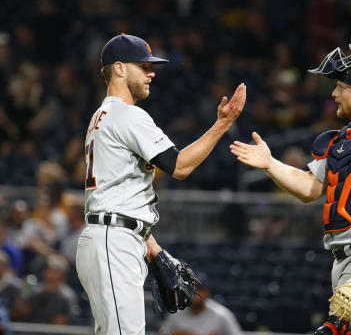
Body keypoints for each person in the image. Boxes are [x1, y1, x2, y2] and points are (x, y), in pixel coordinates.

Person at [230, 44, 351, 335]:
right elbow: (309, 188)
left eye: (341, 87)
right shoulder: (345, 140)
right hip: (345, 261)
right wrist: (270, 164)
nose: (334, 94)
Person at [76, 34, 246, 335]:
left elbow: (120, 187)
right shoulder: (126, 114)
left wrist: (150, 244)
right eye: (142, 66)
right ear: (118, 68)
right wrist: (223, 124)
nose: (151, 73)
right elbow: (179, 166)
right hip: (113, 239)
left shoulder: (101, 116)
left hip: (110, 234)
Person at [163, 273, 242, 335]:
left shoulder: (221, 314)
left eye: (200, 289)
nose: (195, 293)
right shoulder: (176, 313)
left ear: (207, 292)